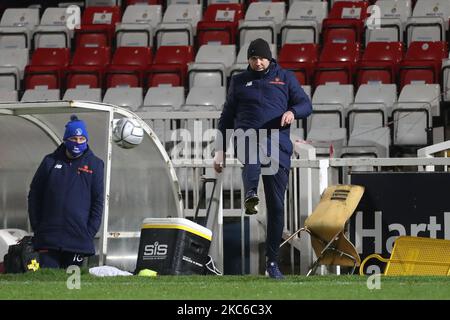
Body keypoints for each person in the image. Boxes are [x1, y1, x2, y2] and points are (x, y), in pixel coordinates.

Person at [214, 38, 312, 279]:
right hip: (246, 136)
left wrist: (292, 112)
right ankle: (250, 195)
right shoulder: (238, 81)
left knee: (277, 207)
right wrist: (220, 150)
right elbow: (226, 118)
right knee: (252, 146)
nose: (258, 62)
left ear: (270, 58)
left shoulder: (285, 77)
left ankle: (272, 263)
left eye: (261, 58)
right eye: (253, 58)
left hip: (278, 144)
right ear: (248, 59)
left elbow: (306, 104)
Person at [28, 115, 105, 269]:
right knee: (48, 285)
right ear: (66, 139)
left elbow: (98, 202)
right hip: (48, 239)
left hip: (78, 241)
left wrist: (88, 233)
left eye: (82, 139)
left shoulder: (95, 165)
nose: (78, 142)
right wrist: (38, 227)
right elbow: (34, 195)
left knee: (73, 286)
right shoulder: (49, 161)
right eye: (74, 138)